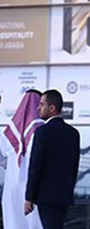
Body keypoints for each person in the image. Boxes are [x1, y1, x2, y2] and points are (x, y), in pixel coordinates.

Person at [25, 89, 80, 229]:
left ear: (52, 108)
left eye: (42, 104)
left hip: (46, 197)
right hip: (64, 195)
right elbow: (74, 167)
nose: (38, 108)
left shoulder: (42, 132)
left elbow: (35, 166)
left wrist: (29, 197)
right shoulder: (73, 133)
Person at [1, 90, 44, 229]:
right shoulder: (42, 131)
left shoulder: (9, 133)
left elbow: (2, 158)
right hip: (33, 191)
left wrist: (12, 165)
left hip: (12, 188)